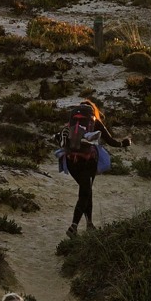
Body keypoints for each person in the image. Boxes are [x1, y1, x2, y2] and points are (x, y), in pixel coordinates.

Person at [57, 99, 131, 237]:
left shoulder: (71, 123)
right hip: (87, 161)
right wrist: (123, 144)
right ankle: (73, 227)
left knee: (86, 190)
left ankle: (89, 223)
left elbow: (63, 138)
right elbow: (110, 141)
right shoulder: (94, 121)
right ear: (93, 110)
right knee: (85, 193)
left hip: (71, 161)